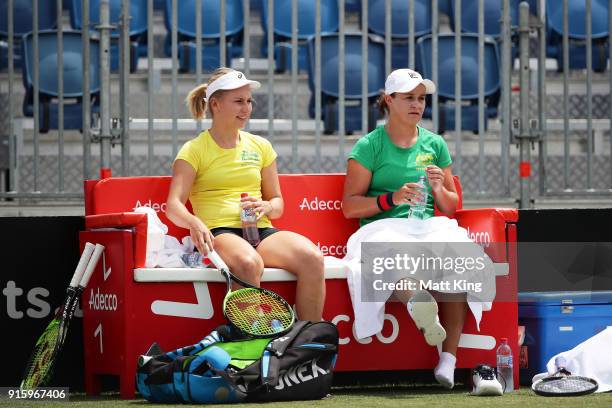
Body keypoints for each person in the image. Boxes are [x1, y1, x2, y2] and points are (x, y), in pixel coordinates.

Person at [341, 68, 487, 389]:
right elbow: (350, 206)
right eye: (409, 98)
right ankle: (420, 306)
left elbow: (451, 205)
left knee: (461, 257)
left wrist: (438, 188)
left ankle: (448, 360)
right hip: (384, 226)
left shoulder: (435, 144)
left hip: (429, 225)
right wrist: (391, 198)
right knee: (392, 257)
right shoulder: (369, 146)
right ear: (389, 100)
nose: (417, 105)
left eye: (421, 99)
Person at [165, 67, 325, 322]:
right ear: (215, 104)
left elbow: (278, 203)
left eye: (249, 101)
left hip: (259, 230)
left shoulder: (261, 146)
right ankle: (251, 344)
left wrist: (266, 207)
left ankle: (306, 342)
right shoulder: (193, 149)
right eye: (238, 101)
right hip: (219, 232)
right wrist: (195, 223)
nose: (247, 108)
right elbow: (173, 205)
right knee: (249, 264)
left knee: (313, 258)